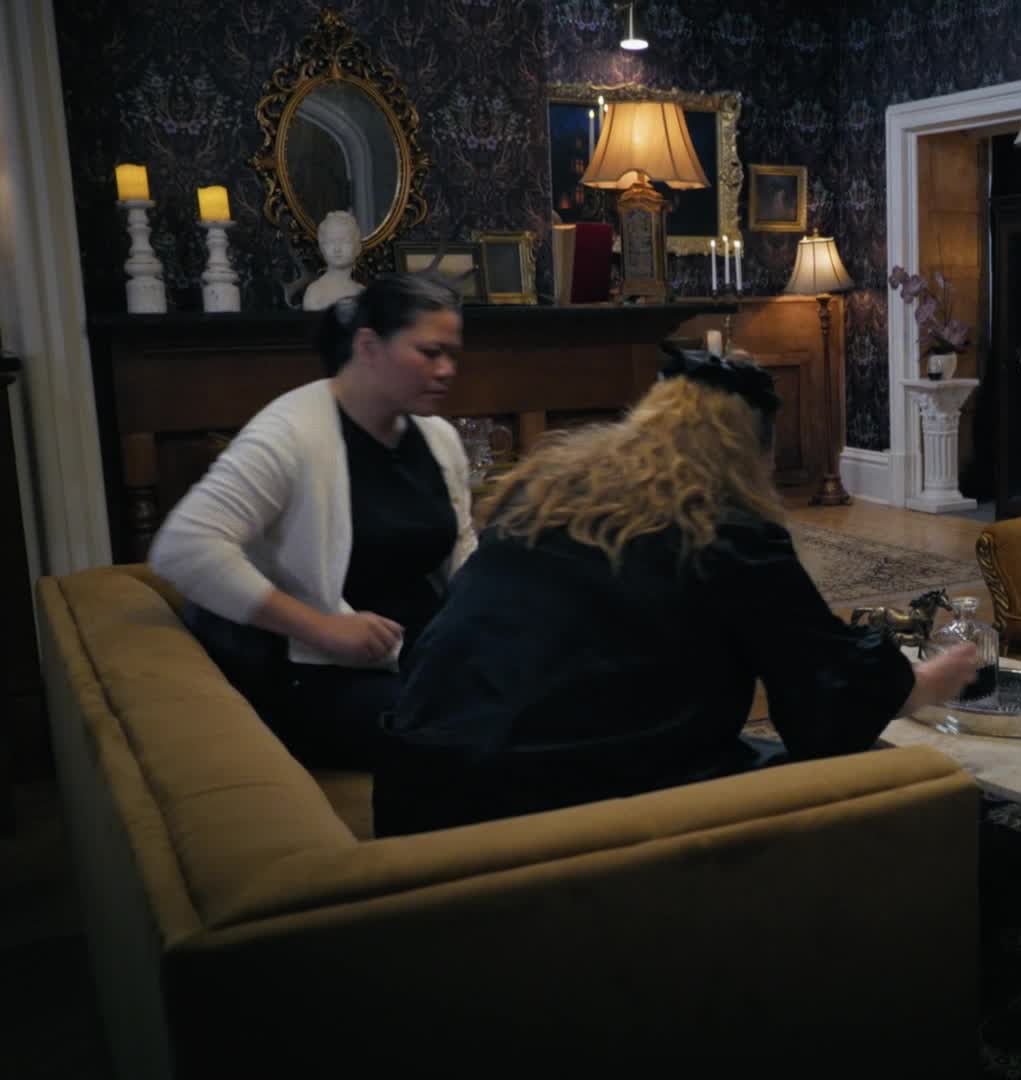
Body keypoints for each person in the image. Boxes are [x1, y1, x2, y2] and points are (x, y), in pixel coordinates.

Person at [372, 345, 979, 836]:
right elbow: (822, 689)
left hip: (419, 783)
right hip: (548, 806)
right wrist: (921, 684)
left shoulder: (543, 497)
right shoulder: (725, 531)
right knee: (871, 792)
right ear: (752, 453)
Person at [149, 273, 474, 768]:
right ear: (368, 346)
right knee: (461, 733)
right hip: (320, 673)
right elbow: (183, 548)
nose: (447, 370)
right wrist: (322, 627)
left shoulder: (438, 437)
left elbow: (462, 549)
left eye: (453, 354)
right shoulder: (289, 433)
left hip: (419, 654)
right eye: (430, 353)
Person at [303, 209, 365, 312]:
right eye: (331, 242)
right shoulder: (315, 293)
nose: (337, 249)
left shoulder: (362, 293)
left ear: (358, 247)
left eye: (344, 241)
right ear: (322, 247)